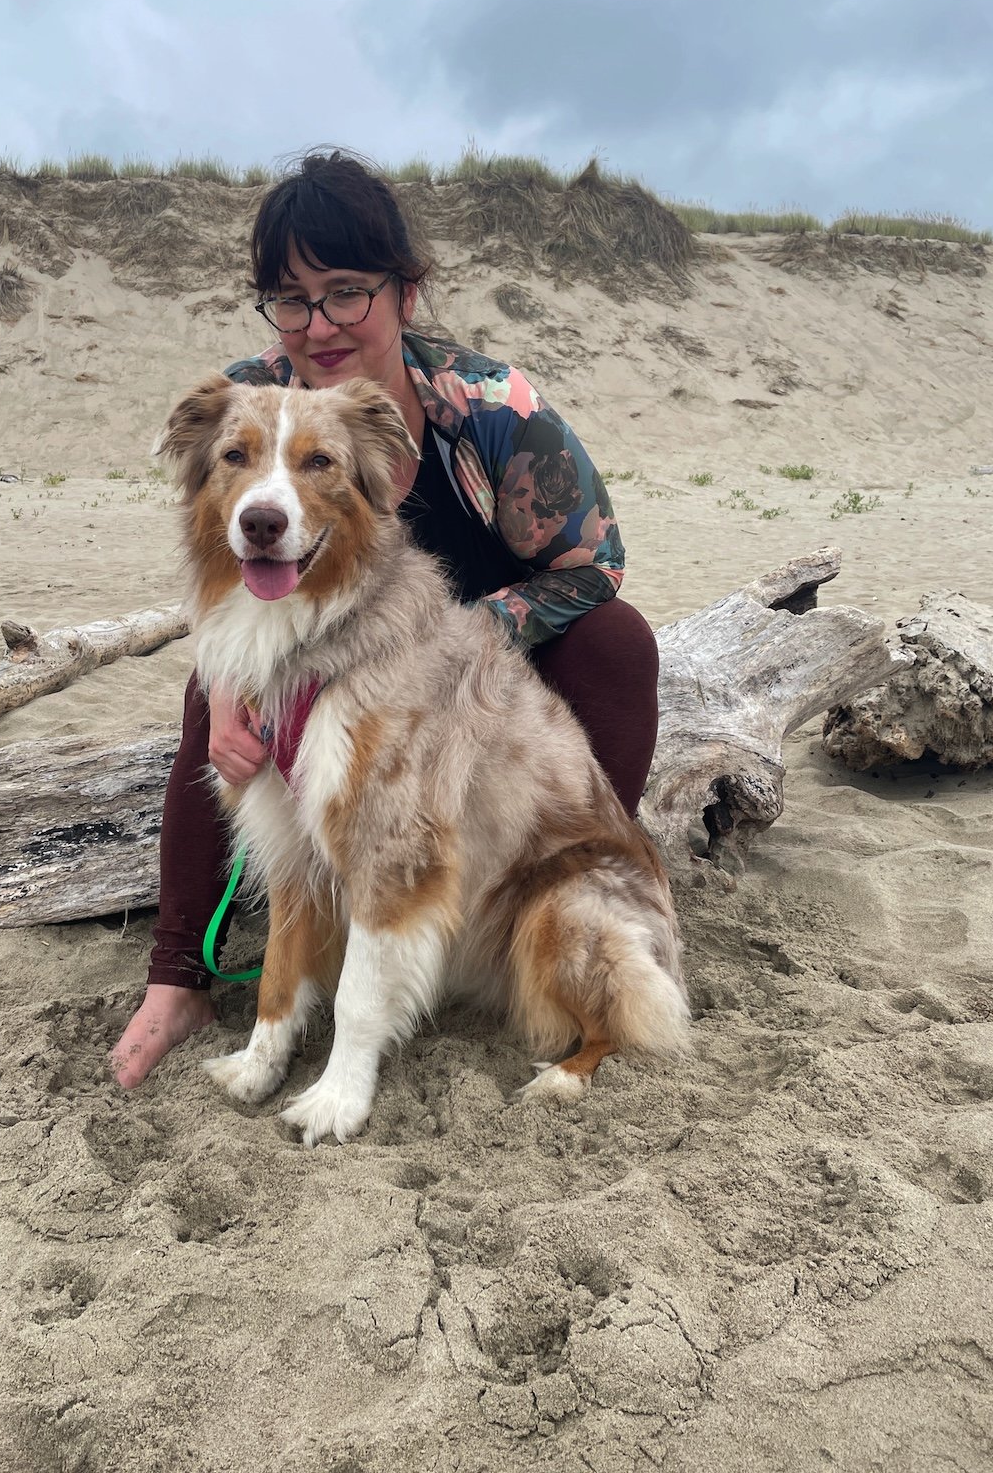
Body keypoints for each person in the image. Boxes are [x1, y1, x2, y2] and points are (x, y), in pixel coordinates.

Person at [109, 149, 660, 1090]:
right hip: (322, 644)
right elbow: (226, 567)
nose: (316, 324)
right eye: (290, 298)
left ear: (407, 291)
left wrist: (460, 644)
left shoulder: (494, 411)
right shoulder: (254, 403)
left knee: (619, 643)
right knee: (217, 704)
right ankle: (178, 977)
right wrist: (229, 689)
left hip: (484, 659)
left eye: (346, 291)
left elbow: (593, 564)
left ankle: (569, 883)